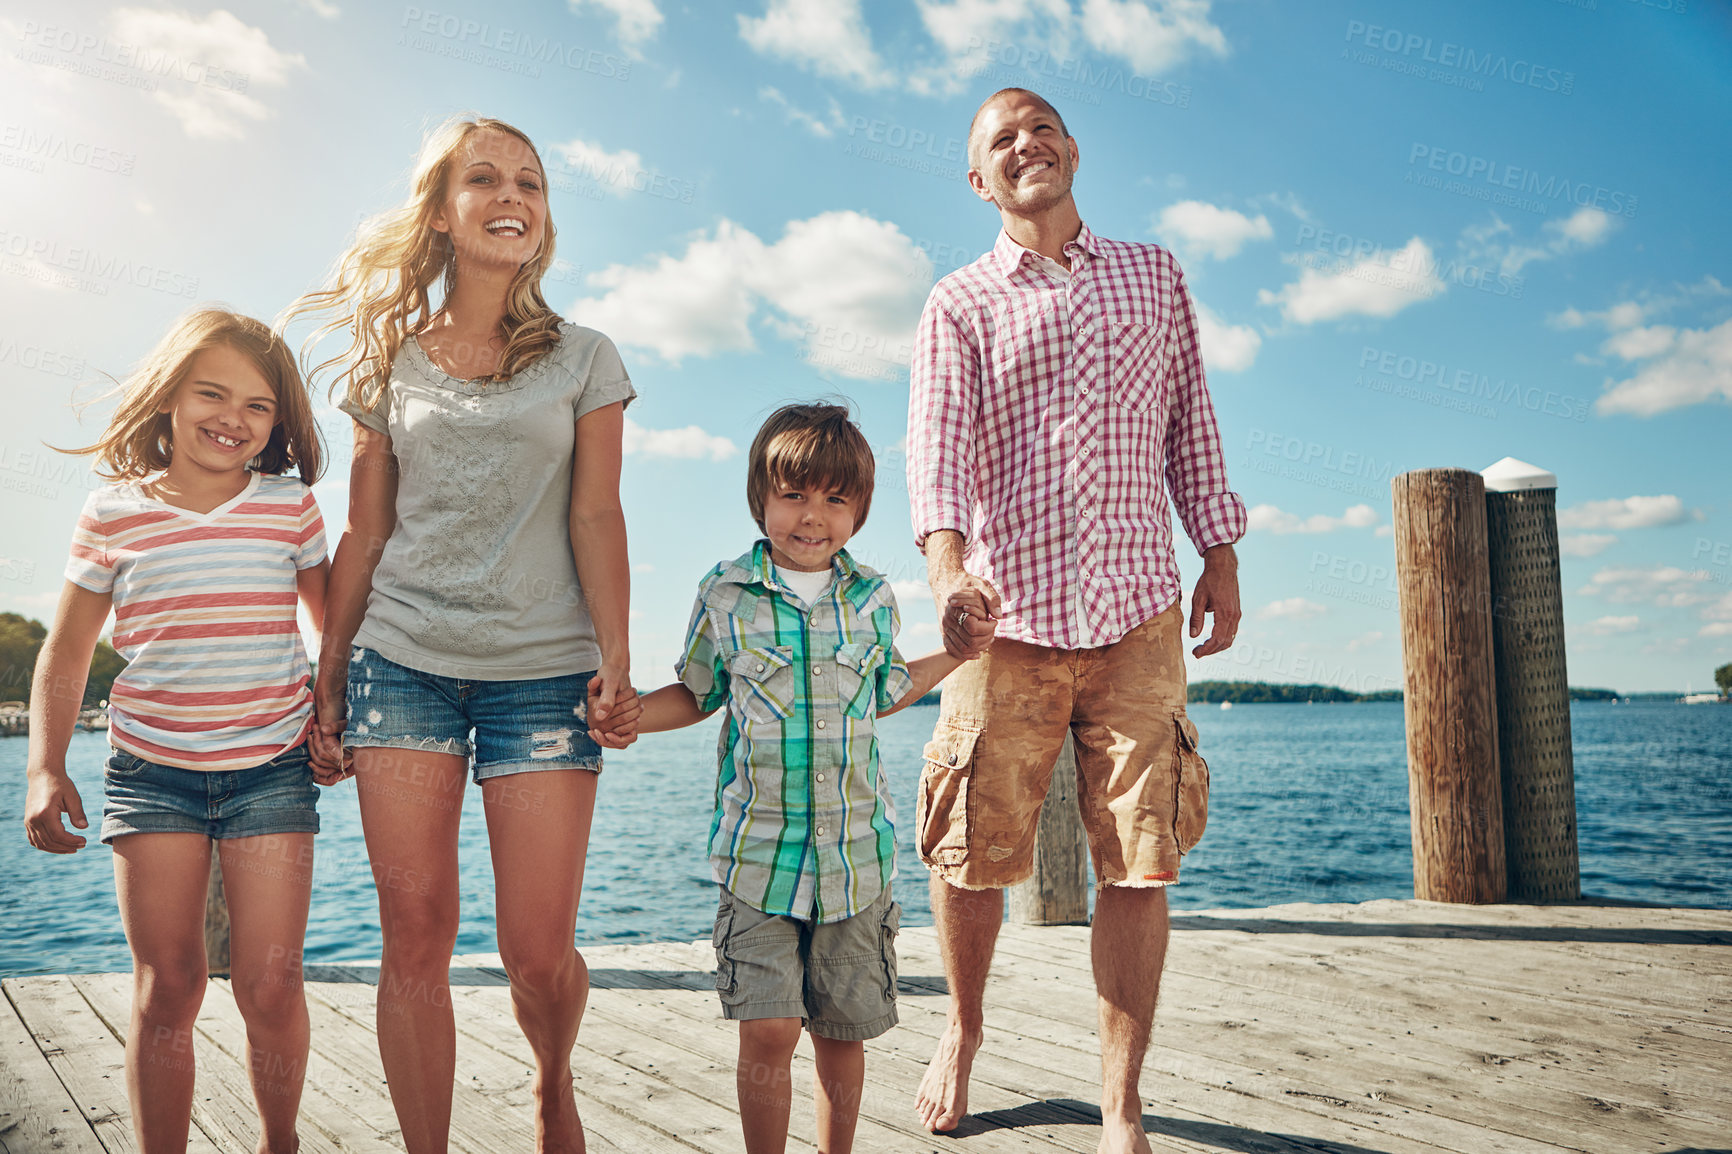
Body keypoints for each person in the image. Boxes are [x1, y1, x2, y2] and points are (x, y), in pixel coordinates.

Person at [284, 115, 637, 1154]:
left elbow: (595, 515)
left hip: (542, 673)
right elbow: (366, 527)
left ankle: (551, 1078)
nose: (510, 195)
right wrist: (332, 675)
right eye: (483, 178)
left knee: (536, 951)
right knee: (416, 934)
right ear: (442, 209)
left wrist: (615, 658)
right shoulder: (388, 361)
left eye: (529, 179)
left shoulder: (586, 356)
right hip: (403, 666)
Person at [905, 88, 1247, 1154]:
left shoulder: (1153, 273)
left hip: (1140, 608)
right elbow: (936, 456)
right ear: (979, 180)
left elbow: (1192, 416)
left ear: (1073, 149)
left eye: (1039, 127)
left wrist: (1219, 551)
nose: (1025, 145)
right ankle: (961, 1031)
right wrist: (950, 577)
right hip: (1002, 622)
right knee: (968, 847)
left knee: (1140, 857)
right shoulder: (956, 301)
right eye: (1000, 140)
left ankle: (1120, 1099)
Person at [589, 403, 989, 1154]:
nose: (814, 516)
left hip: (857, 863)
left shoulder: (873, 600)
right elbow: (699, 692)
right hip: (758, 860)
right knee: (768, 1027)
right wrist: (632, 715)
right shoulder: (725, 592)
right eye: (795, 495)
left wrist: (959, 656)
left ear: (860, 510)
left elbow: (887, 688)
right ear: (761, 499)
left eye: (836, 499)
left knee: (843, 1033)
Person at [23, 308, 333, 1154]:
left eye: (258, 405)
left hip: (271, 768)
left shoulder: (288, 507)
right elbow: (67, 651)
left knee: (269, 985)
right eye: (211, 393)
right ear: (168, 398)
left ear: (277, 424)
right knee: (171, 987)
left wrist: (335, 719)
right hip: (151, 773)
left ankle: (281, 1143)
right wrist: (44, 769)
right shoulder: (114, 512)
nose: (233, 417)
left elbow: (333, 630)